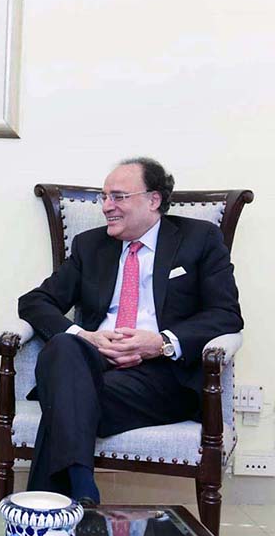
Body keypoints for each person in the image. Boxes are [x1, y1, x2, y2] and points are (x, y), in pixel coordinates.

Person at [18, 157, 243, 505]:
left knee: (64, 397)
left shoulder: (199, 239)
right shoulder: (90, 245)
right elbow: (35, 302)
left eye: (118, 197)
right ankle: (82, 493)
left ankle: (55, 506)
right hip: (92, 365)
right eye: (104, 197)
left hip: (163, 377)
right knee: (64, 347)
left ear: (153, 200)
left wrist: (162, 342)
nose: (106, 207)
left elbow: (226, 315)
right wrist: (86, 336)